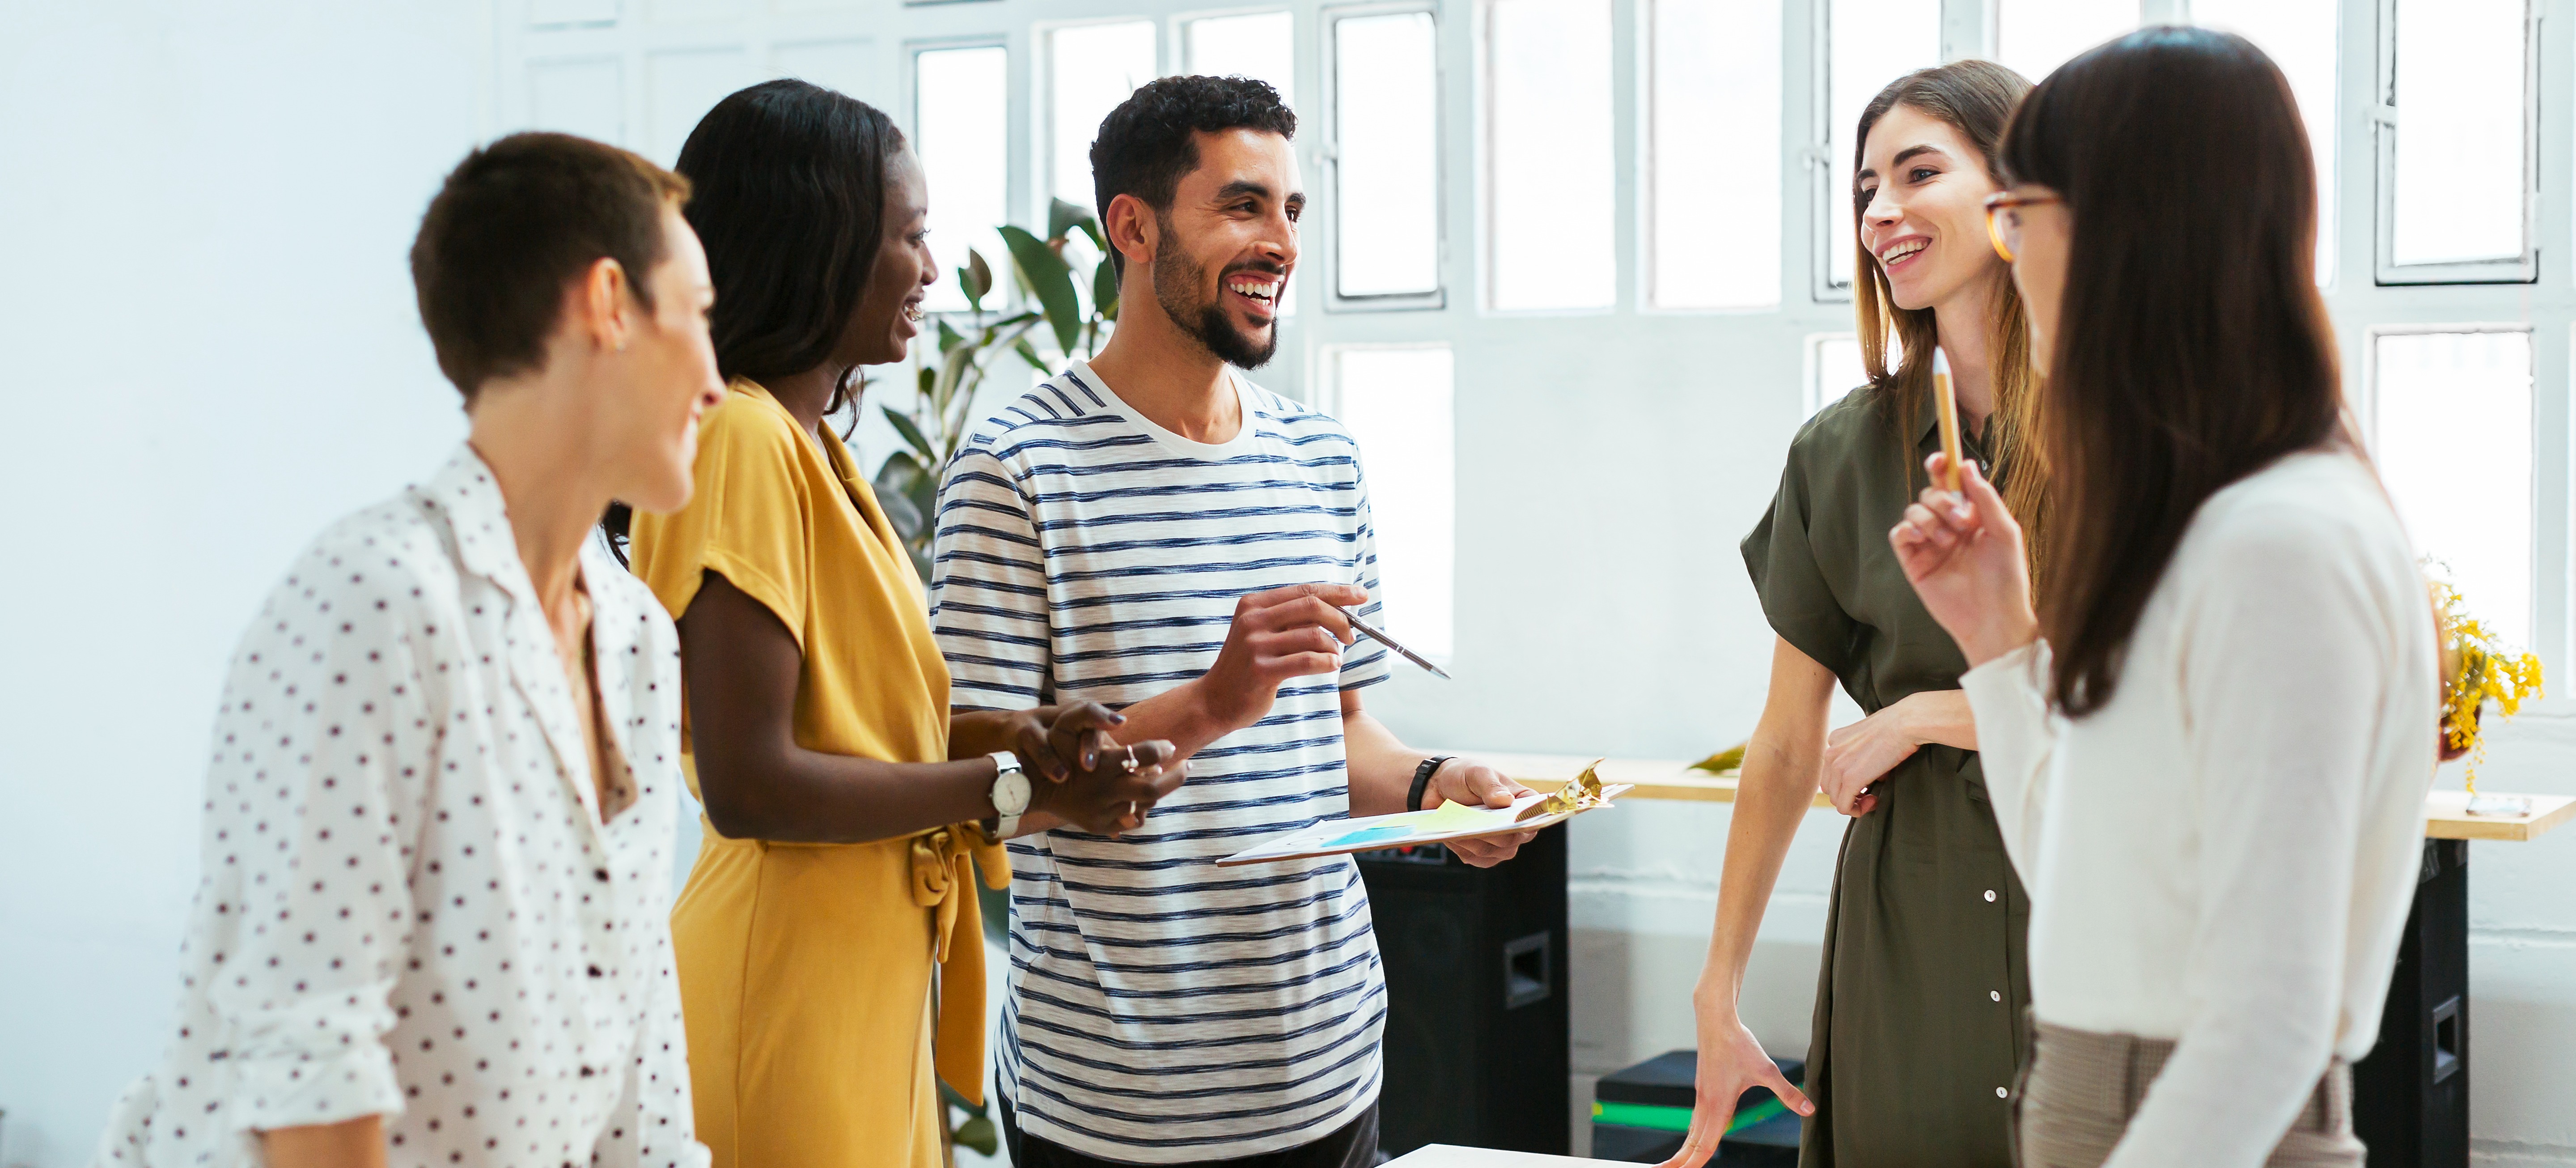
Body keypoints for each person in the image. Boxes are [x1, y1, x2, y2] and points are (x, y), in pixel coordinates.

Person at [927, 75, 1536, 1168]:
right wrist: (1215, 701)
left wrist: (1435, 788)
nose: (1281, 243)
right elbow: (984, 805)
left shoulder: (1323, 458)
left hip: (1329, 1069)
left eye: (1292, 212)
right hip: (1118, 1105)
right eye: (1244, 206)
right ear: (1134, 226)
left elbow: (1337, 739)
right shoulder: (1013, 468)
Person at [93, 132, 725, 1168]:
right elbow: (311, 1079)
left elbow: (641, 1053)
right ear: (610, 304)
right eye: (697, 314)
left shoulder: (641, 642)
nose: (713, 378)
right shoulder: (368, 605)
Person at [1890, 28, 2436, 1167]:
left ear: (2121, 231)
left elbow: (2271, 1019)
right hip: (2117, 1095)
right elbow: (2089, 895)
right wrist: (1998, 639)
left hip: (2195, 1119)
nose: (2011, 255)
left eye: (2017, 215)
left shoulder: (2281, 542)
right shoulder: (2213, 523)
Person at [615, 80, 1184, 1168]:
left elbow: (853, 734)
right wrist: (1018, 790)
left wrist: (1020, 737)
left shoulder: (815, 445)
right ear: (818, 241)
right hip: (783, 980)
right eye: (912, 237)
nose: (932, 270)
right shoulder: (740, 437)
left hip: (860, 971)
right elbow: (753, 780)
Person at [1663, 60, 2045, 1168]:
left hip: (2095, 905)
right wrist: (1718, 986)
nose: (1881, 213)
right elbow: (1787, 741)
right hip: (1905, 934)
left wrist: (1929, 711)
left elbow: (2162, 691)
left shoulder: (2136, 422)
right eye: (1864, 190)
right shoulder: (1839, 453)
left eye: (1918, 173)